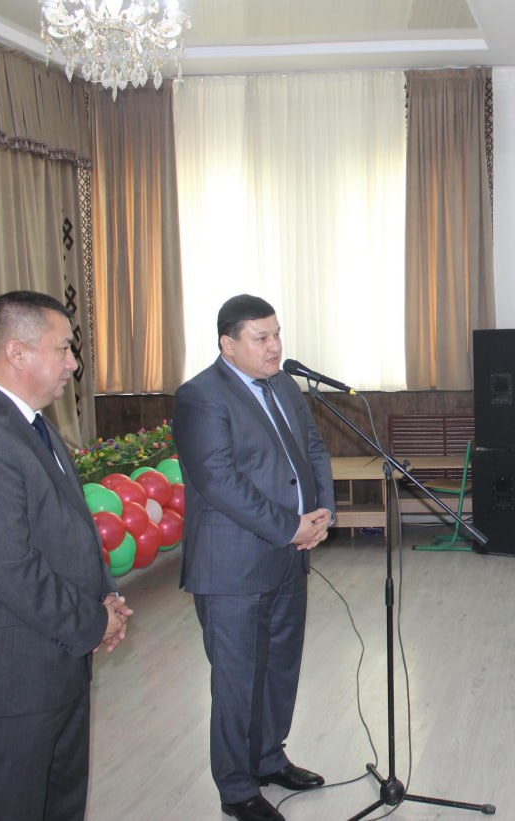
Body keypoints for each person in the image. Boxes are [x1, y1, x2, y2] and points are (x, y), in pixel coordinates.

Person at [0, 290, 131, 821]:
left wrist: (105, 599)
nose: (73, 363)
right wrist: (91, 622)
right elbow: (8, 569)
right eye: (63, 348)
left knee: (60, 805)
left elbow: (71, 530)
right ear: (17, 352)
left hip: (54, 661)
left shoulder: (31, 423)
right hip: (7, 682)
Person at [175, 295, 336, 821]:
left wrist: (322, 513)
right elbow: (219, 481)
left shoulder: (283, 385)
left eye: (277, 334)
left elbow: (313, 450)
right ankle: (237, 787)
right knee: (238, 679)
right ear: (228, 344)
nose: (275, 346)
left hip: (289, 556)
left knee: (281, 666)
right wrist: (290, 525)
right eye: (261, 338)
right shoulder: (201, 396)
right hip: (233, 567)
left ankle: (268, 757)